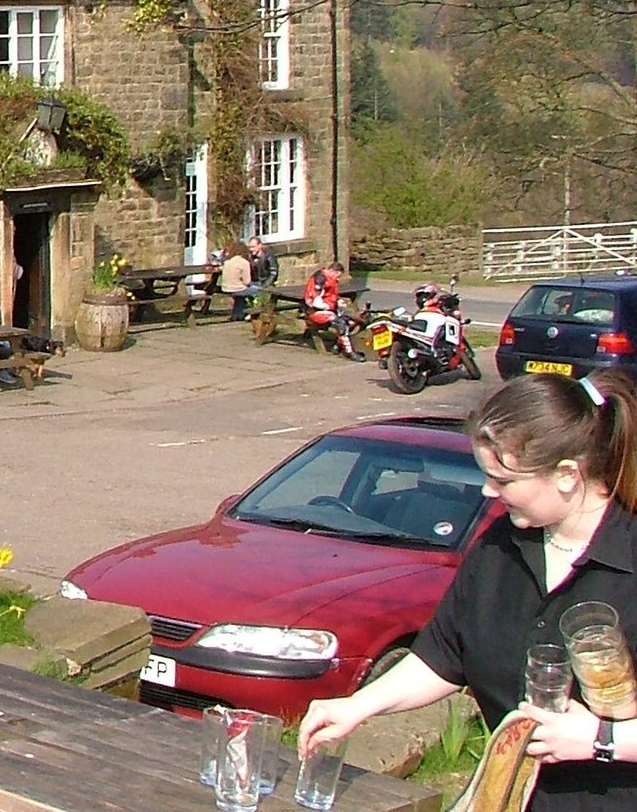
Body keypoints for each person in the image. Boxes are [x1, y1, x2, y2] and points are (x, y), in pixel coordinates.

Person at [298, 373, 637, 811]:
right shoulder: (500, 545)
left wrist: (601, 740)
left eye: (504, 480)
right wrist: (357, 706)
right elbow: (443, 653)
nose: (488, 491)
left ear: (568, 475)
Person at [302, 261, 364, 360]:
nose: (338, 278)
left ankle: (338, 346)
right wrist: (329, 306)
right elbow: (314, 300)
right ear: (333, 271)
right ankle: (350, 352)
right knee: (340, 323)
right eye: (338, 276)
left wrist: (338, 301)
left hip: (329, 309)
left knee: (352, 321)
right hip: (315, 312)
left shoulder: (331, 280)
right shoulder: (319, 279)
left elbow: (330, 295)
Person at [219, 244, 255, 321]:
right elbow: (247, 281)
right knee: (259, 290)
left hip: (225, 288)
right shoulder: (244, 262)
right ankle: (254, 312)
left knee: (240, 298)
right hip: (238, 289)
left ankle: (237, 315)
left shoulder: (227, 262)